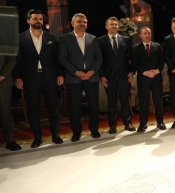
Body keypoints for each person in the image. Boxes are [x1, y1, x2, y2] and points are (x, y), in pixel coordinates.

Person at [14, 9, 64, 148]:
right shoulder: (20, 38)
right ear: (28, 20)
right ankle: (37, 137)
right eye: (35, 18)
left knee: (53, 107)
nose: (38, 21)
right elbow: (17, 60)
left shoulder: (51, 37)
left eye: (40, 19)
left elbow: (57, 59)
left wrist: (60, 74)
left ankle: (55, 134)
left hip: (50, 77)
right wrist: (17, 77)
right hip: (30, 79)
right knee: (33, 108)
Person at [58, 13, 102, 142]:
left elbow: (99, 57)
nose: (82, 23)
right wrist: (75, 72)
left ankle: (94, 129)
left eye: (84, 22)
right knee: (74, 106)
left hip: (91, 77)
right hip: (73, 78)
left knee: (94, 105)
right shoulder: (65, 38)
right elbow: (62, 58)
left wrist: (92, 71)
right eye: (79, 21)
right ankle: (76, 132)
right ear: (72, 23)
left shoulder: (93, 38)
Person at [97, 17, 135, 134]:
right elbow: (98, 60)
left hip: (124, 76)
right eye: (112, 24)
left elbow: (132, 57)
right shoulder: (100, 41)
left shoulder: (126, 39)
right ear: (106, 27)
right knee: (111, 102)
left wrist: (132, 72)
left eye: (116, 24)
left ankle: (127, 123)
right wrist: (102, 76)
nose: (114, 26)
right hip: (109, 77)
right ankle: (112, 125)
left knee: (125, 100)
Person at [132, 27, 165, 132]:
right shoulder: (135, 48)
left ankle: (160, 122)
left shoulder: (157, 46)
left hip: (156, 78)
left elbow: (162, 61)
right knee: (143, 101)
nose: (147, 35)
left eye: (149, 33)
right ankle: (143, 123)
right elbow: (135, 63)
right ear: (140, 35)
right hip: (143, 78)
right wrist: (144, 72)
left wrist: (157, 71)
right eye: (145, 33)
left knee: (158, 101)